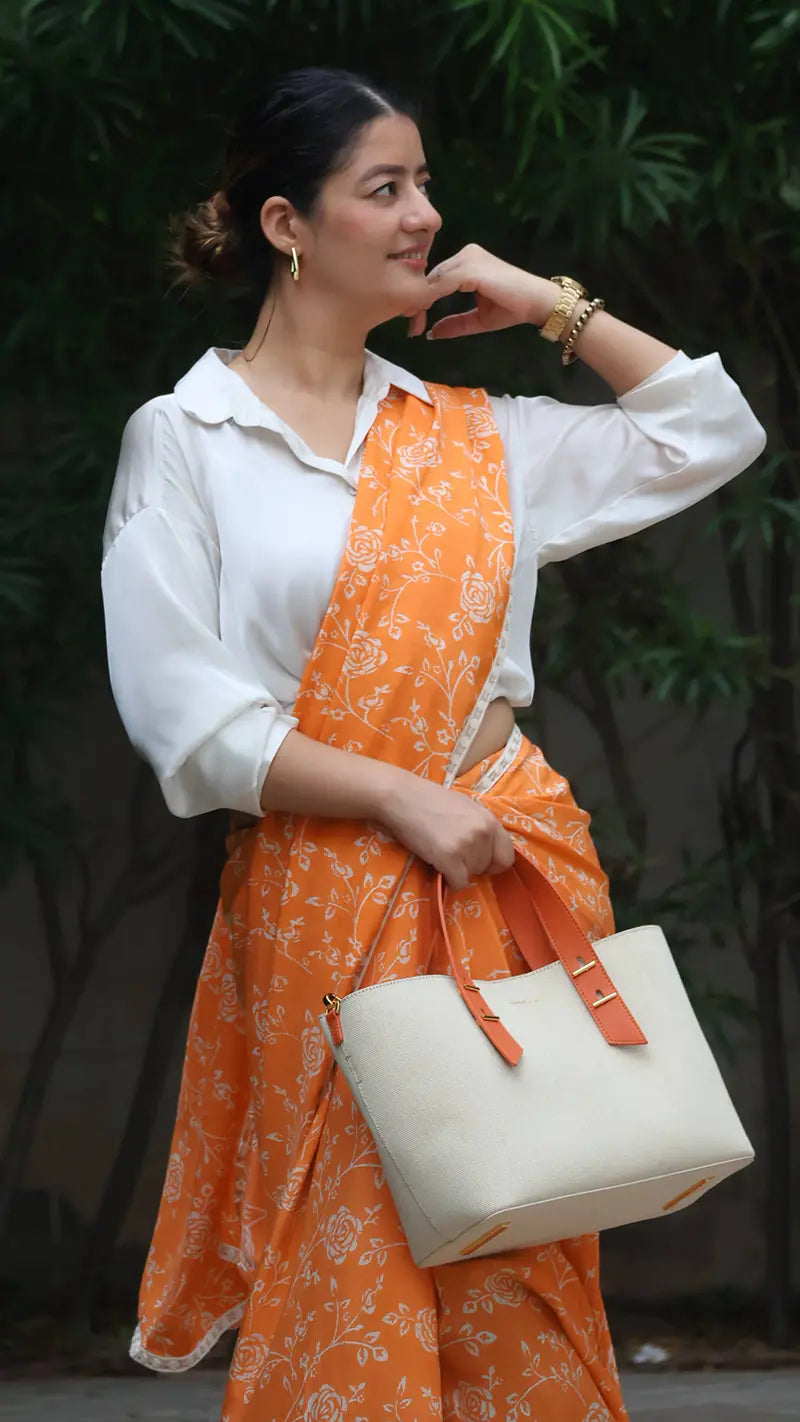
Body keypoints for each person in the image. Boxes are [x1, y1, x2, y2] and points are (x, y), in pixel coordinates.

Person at [101, 65, 766, 1422]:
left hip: (495, 885)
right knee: (351, 1261)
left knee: (516, 1248)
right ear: (287, 223)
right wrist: (400, 797)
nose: (424, 216)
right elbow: (188, 716)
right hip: (330, 899)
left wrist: (549, 306)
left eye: (425, 185)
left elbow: (712, 431)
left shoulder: (476, 438)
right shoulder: (188, 439)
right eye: (384, 188)